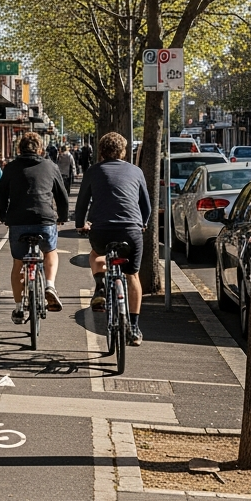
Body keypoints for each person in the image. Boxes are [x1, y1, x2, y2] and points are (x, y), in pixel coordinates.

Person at [73, 131, 151, 345]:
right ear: (123, 152)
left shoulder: (93, 171)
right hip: (131, 231)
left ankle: (100, 286)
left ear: (101, 152)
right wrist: (142, 224)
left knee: (97, 256)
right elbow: (146, 206)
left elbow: (82, 203)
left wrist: (80, 224)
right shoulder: (136, 171)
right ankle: (134, 328)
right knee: (132, 276)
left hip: (102, 231)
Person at [0, 131, 69, 323]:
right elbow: (61, 196)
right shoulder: (50, 166)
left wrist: (4, 216)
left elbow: (2, 194)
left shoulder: (11, 168)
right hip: (44, 221)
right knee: (50, 252)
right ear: (40, 149)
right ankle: (50, 286)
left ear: (19, 149)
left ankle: (19, 308)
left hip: (18, 222)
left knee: (18, 263)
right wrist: (62, 217)